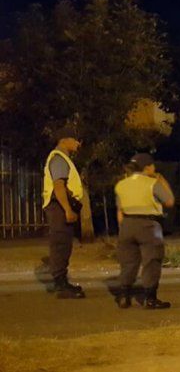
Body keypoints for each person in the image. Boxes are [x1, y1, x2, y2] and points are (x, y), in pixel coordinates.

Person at [114, 153, 175, 309]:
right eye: (153, 165)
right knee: (151, 261)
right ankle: (150, 299)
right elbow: (169, 201)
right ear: (148, 167)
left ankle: (124, 297)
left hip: (127, 226)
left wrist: (124, 228)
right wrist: (160, 178)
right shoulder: (152, 183)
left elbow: (120, 212)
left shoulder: (121, 184)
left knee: (128, 263)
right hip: (149, 226)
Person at [42, 126, 86, 299]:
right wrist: (67, 209)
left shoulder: (62, 158)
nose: (78, 143)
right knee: (61, 244)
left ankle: (62, 282)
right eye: (75, 139)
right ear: (64, 140)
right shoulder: (59, 158)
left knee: (64, 244)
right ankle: (61, 285)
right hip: (59, 207)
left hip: (61, 206)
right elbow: (59, 186)